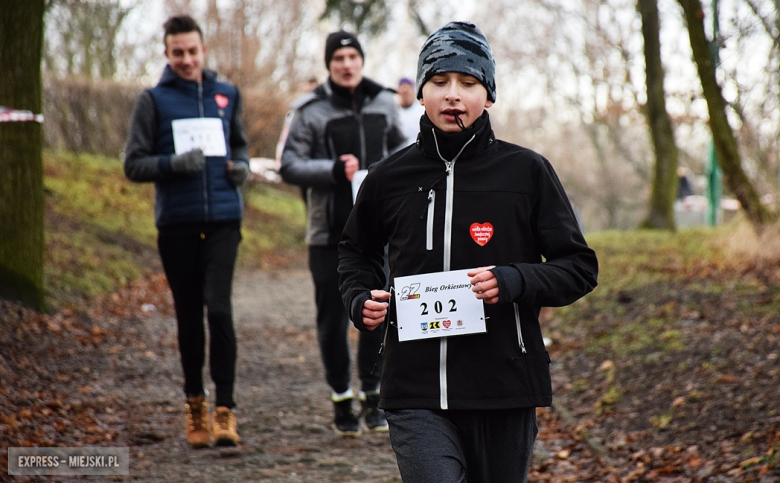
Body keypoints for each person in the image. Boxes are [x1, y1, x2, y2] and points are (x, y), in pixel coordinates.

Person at [338, 21, 598, 481]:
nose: (452, 95)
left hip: (504, 386)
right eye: (439, 82)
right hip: (413, 388)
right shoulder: (387, 178)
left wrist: (515, 280)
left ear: (489, 97)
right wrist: (360, 300)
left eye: (468, 83)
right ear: (421, 93)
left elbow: (578, 267)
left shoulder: (528, 173)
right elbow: (354, 253)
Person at [123, 14, 249, 449]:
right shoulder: (152, 100)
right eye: (178, 52)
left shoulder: (226, 94)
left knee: (219, 308)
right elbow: (133, 164)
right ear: (166, 53)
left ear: (203, 50)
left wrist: (242, 169)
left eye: (192, 51)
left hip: (224, 221)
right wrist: (173, 164)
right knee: (189, 315)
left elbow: (240, 145)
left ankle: (225, 410)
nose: (187, 59)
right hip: (177, 223)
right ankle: (194, 401)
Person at [279, 30, 405, 437]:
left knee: (377, 312)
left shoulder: (385, 103)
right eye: (339, 58)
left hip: (379, 231)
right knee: (332, 320)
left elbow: (407, 152)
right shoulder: (310, 110)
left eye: (353, 56)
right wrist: (333, 170)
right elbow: (289, 165)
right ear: (329, 64)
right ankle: (340, 398)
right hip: (328, 233)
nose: (347, 64)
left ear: (361, 60)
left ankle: (373, 395)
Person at [396, 77, 426, 146]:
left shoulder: (421, 110)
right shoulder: (396, 113)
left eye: (408, 90)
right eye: (403, 91)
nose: (405, 94)